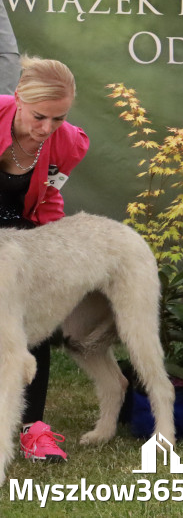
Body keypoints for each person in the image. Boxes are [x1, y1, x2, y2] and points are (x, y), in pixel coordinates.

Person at [2, 55, 90, 462]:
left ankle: (34, 428)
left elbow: (50, 194)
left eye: (57, 118)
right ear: (18, 97)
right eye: (39, 117)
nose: (46, 129)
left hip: (23, 231)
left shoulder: (67, 141)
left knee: (31, 320)